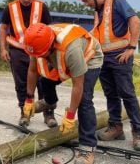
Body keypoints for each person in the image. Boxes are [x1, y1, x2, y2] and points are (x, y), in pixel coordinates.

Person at [76, 0, 140, 152]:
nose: (86, 4)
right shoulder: (97, 12)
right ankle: (116, 128)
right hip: (103, 58)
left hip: (120, 56)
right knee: (111, 94)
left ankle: (138, 133)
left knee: (127, 94)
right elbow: (97, 34)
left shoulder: (116, 1)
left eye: (86, 0)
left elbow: (135, 21)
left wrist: (131, 47)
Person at [23, 23, 103, 164]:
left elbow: (78, 85)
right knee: (46, 78)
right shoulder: (36, 43)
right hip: (62, 54)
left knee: (84, 100)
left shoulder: (71, 49)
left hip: (89, 57)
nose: (39, 57)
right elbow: (33, 70)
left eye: (42, 54)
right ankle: (49, 102)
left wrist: (70, 115)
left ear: (51, 45)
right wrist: (29, 99)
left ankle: (87, 148)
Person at [0, 0, 53, 127]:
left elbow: (50, 29)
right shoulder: (10, 8)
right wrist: (3, 49)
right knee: (21, 83)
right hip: (18, 50)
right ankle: (25, 112)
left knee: (44, 82)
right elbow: (3, 28)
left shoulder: (42, 7)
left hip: (40, 52)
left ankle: (48, 113)